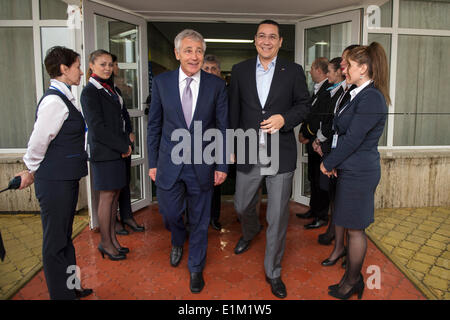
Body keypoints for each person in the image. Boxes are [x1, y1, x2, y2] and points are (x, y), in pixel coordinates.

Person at [229, 20, 311, 299]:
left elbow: (304, 105)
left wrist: (284, 118)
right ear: (255, 40)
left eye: (272, 37)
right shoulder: (239, 71)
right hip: (249, 151)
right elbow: (233, 111)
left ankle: (273, 271)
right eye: (262, 36)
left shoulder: (294, 71)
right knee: (241, 205)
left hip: (281, 154)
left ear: (280, 41)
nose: (266, 41)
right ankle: (250, 231)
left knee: (277, 216)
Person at [147, 29, 228, 293]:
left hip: (202, 165)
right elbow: (155, 125)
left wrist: (222, 164)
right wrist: (152, 164)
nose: (194, 57)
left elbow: (223, 128)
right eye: (189, 50)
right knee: (170, 214)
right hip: (169, 163)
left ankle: (195, 268)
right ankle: (177, 239)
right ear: (177, 53)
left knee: (200, 220)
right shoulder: (161, 83)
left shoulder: (216, 85)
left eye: (199, 51)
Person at [16, 46, 92, 299]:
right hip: (54, 181)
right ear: (63, 69)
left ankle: (72, 287)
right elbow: (38, 142)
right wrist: (30, 170)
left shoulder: (65, 97)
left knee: (64, 239)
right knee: (55, 243)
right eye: (78, 66)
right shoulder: (53, 102)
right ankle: (62, 295)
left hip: (64, 179)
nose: (81, 72)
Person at [321, 42, 390, 299]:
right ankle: (351, 278)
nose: (344, 68)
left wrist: (328, 162)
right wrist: (337, 163)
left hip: (360, 171)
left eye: (348, 65)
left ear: (363, 68)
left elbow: (353, 139)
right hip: (352, 168)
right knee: (351, 226)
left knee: (356, 229)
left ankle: (352, 282)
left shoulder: (371, 96)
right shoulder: (358, 92)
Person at [81, 49, 132, 261]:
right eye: (102, 64)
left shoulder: (109, 89)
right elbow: (97, 128)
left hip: (116, 151)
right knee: (107, 198)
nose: (107, 68)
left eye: (110, 64)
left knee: (115, 197)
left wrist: (126, 139)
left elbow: (120, 118)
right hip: (104, 152)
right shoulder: (90, 92)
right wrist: (122, 146)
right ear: (91, 66)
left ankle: (112, 240)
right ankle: (106, 243)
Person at [316, 46, 359, 248]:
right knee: (334, 198)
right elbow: (332, 121)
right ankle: (335, 238)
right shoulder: (342, 91)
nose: (342, 67)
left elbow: (350, 134)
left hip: (347, 159)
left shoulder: (360, 94)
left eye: (346, 62)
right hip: (333, 151)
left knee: (347, 209)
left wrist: (329, 156)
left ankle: (343, 247)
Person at [296, 57, 332, 230]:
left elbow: (320, 118)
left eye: (311, 69)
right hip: (312, 141)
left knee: (320, 181)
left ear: (318, 70)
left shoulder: (328, 89)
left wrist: (307, 134)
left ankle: (321, 215)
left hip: (319, 142)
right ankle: (313, 209)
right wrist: (303, 131)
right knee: (312, 177)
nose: (309, 71)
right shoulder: (317, 89)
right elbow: (309, 114)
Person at [111, 54, 145, 235]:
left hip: (125, 143)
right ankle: (113, 222)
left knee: (125, 182)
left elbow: (124, 114)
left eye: (113, 64)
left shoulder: (116, 90)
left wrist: (130, 132)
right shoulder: (95, 90)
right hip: (111, 147)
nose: (113, 67)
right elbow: (100, 125)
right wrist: (121, 144)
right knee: (112, 188)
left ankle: (127, 216)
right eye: (109, 64)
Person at [201, 54, 224, 231]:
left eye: (213, 68)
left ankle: (214, 217)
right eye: (206, 68)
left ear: (219, 72)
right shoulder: (194, 88)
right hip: (193, 144)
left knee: (216, 182)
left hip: (218, 143)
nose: (210, 72)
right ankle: (195, 218)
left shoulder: (225, 90)